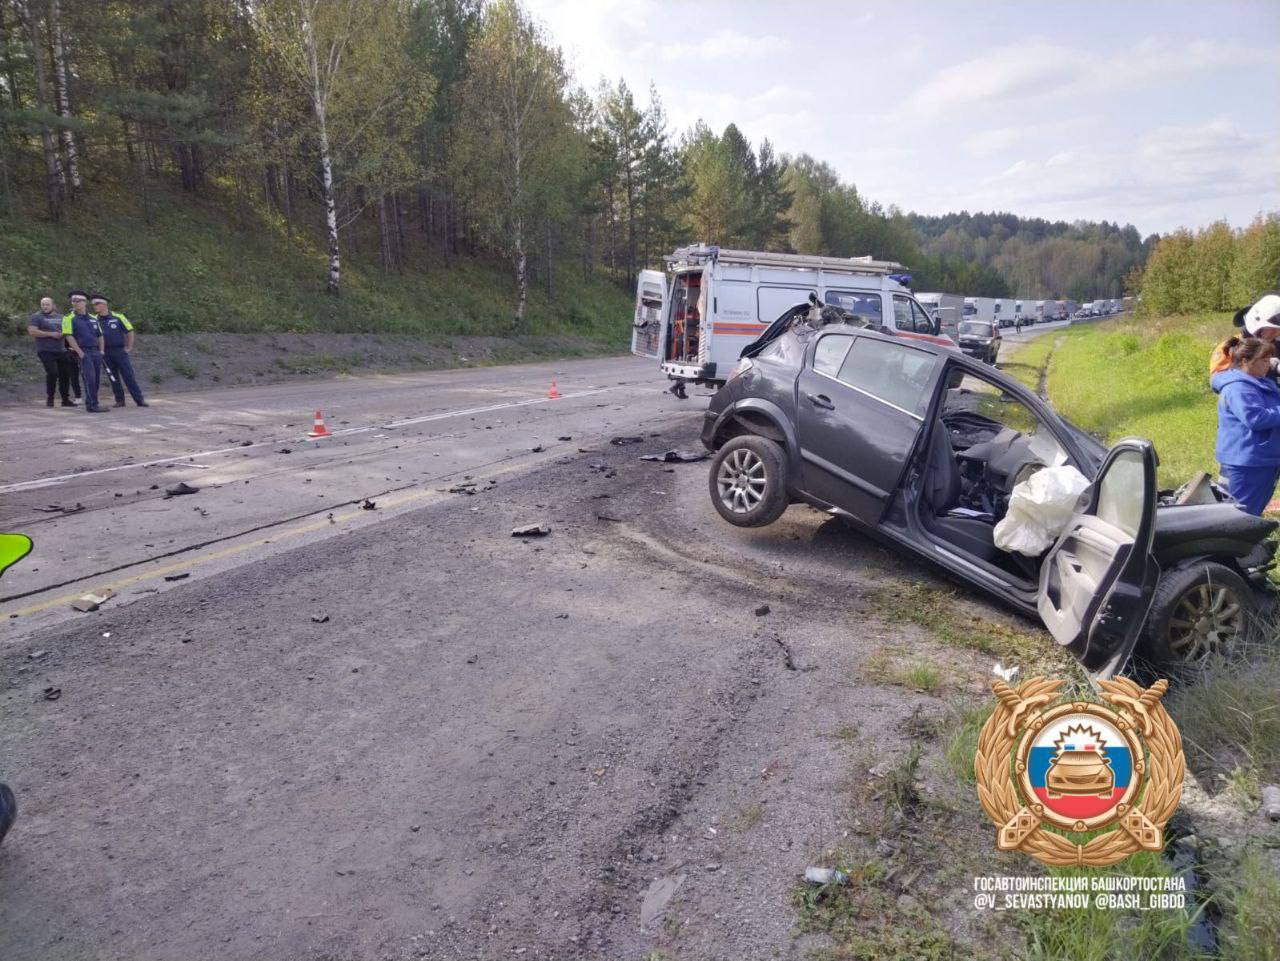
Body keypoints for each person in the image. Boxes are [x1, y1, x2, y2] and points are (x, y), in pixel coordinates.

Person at [1210, 336, 1280, 515]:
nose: (1268, 365)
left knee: (1251, 510)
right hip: (1248, 462)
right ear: (1245, 360)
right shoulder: (1238, 388)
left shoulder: (1257, 381)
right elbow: (1256, 418)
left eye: (1269, 360)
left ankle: (1249, 542)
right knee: (1240, 514)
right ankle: (1235, 543)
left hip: (1261, 458)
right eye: (1263, 361)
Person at [93, 294, 149, 408]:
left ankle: (139, 400)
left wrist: (129, 347)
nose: (94, 306)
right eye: (93, 304)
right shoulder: (94, 319)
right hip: (105, 352)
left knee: (129, 376)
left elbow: (130, 331)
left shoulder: (118, 316)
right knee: (113, 378)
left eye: (96, 304)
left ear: (104, 304)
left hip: (119, 351)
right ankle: (120, 400)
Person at [1209, 291, 1280, 376]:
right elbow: (1217, 379)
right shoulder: (1229, 348)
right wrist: (1266, 366)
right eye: (1274, 329)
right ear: (1259, 329)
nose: (1277, 333)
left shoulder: (1275, 343)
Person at [62, 290, 109, 413]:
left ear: (85, 302)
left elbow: (100, 335)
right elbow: (69, 336)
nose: (75, 303)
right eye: (73, 301)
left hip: (96, 352)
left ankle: (92, 403)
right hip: (83, 352)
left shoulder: (94, 318)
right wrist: (79, 352)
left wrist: (102, 350)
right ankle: (92, 405)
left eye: (78, 301)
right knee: (90, 379)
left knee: (96, 379)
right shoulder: (68, 318)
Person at [27, 295, 78, 407]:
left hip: (61, 350)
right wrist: (51, 334)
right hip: (45, 350)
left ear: (53, 305)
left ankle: (65, 399)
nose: (45, 306)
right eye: (43, 304)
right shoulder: (36, 317)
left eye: (47, 304)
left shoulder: (62, 317)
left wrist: (63, 335)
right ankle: (50, 397)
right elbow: (32, 332)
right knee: (53, 373)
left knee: (65, 374)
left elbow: (68, 331)